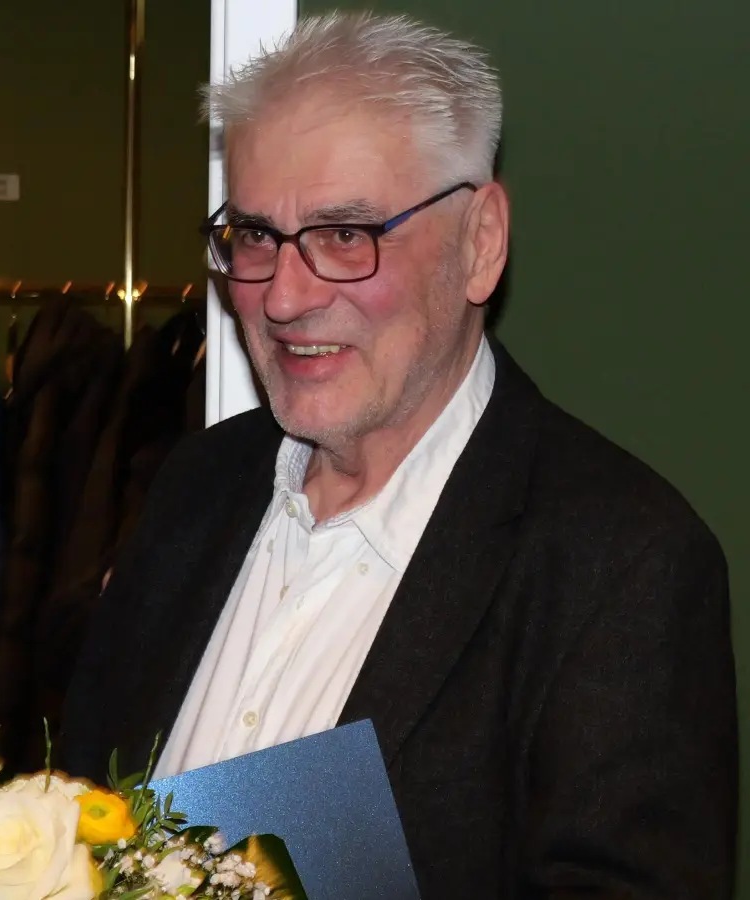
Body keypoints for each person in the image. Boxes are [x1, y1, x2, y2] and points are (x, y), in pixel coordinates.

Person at [61, 12, 737, 897]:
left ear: (480, 243)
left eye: (347, 235)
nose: (285, 297)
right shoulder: (192, 487)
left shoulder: (620, 565)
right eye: (255, 237)